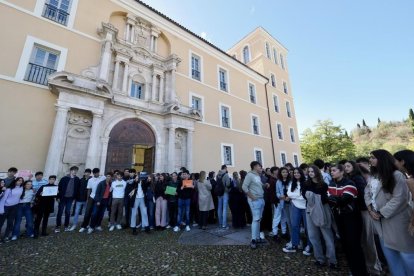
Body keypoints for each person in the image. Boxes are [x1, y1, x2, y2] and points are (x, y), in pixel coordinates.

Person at [368, 150, 414, 276]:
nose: (370, 160)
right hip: (381, 223)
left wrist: (381, 212)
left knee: (407, 257)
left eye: (373, 157)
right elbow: (367, 193)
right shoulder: (373, 176)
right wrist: (370, 210)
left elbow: (400, 198)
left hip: (398, 221)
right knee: (392, 259)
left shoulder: (396, 175)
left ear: (382, 159)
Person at [329, 164, 367, 276]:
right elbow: (329, 199)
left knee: (354, 245)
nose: (332, 172)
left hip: (351, 218)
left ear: (341, 172)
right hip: (339, 217)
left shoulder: (350, 183)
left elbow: (343, 200)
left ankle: (361, 272)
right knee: (345, 244)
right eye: (331, 171)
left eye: (334, 170)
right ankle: (353, 269)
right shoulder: (332, 183)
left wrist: (335, 200)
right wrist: (336, 200)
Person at [345, 161, 382, 275]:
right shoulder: (350, 178)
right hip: (357, 212)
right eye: (345, 166)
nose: (346, 168)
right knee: (363, 241)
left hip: (364, 211)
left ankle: (374, 268)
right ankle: (369, 266)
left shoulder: (357, 178)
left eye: (348, 166)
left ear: (354, 167)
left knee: (368, 240)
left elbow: (363, 195)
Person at [302, 165, 337, 268]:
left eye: (312, 171)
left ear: (317, 172)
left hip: (323, 210)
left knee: (327, 235)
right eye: (309, 171)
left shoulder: (324, 185)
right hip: (310, 211)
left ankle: (332, 260)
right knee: (313, 236)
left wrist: (313, 197)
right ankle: (319, 258)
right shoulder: (306, 184)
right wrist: (315, 197)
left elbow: (325, 198)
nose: (310, 173)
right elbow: (305, 195)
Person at [283, 168, 311, 256]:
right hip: (295, 206)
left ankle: (310, 245)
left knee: (308, 227)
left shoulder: (306, 182)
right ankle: (295, 244)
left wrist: (295, 196)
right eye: (294, 173)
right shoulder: (292, 183)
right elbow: (289, 194)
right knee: (294, 225)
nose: (296, 174)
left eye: (298, 172)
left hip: (306, 206)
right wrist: (298, 195)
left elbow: (304, 196)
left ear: (301, 173)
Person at [242, 161, 268, 249]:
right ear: (255, 166)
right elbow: (244, 187)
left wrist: (265, 185)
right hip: (255, 200)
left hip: (260, 199)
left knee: (258, 219)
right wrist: (252, 197)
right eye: (260, 166)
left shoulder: (257, 175)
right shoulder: (249, 175)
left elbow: (259, 186)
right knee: (256, 219)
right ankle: (253, 240)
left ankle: (257, 237)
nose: (261, 168)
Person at [394, 149, 414, 235]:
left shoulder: (411, 181)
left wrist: (412, 222)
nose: (393, 163)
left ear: (402, 161)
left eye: (395, 161)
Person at [55, 166, 80, 233]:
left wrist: (75, 198)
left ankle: (66, 226)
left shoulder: (77, 179)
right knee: (60, 212)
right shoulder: (64, 178)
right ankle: (58, 226)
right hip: (63, 198)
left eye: (76, 170)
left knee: (68, 212)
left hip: (70, 198)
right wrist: (57, 197)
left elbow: (77, 189)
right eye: (73, 170)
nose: (75, 172)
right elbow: (59, 188)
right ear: (70, 171)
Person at [79, 168, 105, 233]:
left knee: (94, 213)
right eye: (95, 173)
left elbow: (106, 178)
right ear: (93, 174)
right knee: (87, 213)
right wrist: (88, 199)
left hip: (98, 198)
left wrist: (102, 175)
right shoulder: (90, 180)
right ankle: (84, 226)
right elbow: (89, 189)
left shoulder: (102, 178)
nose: (97, 174)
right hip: (91, 197)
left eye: (98, 173)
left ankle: (91, 226)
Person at [0, 177, 24, 242]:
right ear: (15, 181)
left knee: (10, 223)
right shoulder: (9, 189)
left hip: (14, 207)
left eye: (21, 181)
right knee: (1, 223)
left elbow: (20, 197)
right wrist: (1, 209)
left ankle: (6, 236)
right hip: (6, 207)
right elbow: (3, 199)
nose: (20, 182)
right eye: (19, 180)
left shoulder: (22, 188)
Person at [276, 167, 291, 242]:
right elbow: (277, 192)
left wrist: (289, 197)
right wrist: (279, 196)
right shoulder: (278, 181)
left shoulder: (291, 181)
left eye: (286, 172)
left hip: (291, 202)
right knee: (283, 218)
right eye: (283, 172)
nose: (285, 173)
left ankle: (291, 232)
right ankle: (284, 232)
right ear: (280, 173)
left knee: (290, 218)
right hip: (283, 202)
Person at [216, 165, 231, 229]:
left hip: (219, 192)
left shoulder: (217, 175)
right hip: (224, 192)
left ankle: (220, 222)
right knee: (224, 208)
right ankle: (224, 224)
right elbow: (228, 184)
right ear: (225, 168)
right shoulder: (226, 175)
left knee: (219, 207)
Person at [268, 167, 280, 239]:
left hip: (277, 201)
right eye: (277, 170)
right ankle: (274, 232)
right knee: (276, 217)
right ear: (274, 171)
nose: (278, 171)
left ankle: (276, 231)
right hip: (276, 201)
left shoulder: (274, 179)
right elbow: (272, 193)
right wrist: (274, 201)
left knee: (278, 216)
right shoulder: (272, 180)